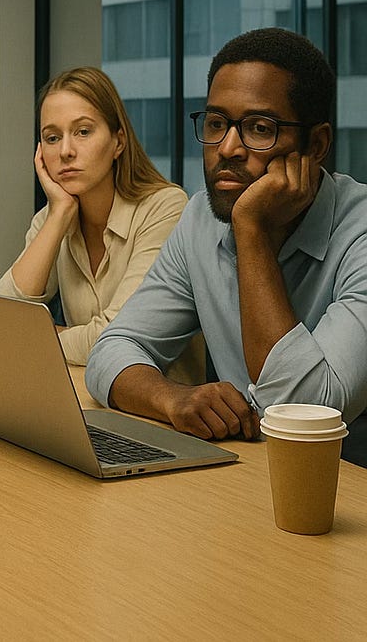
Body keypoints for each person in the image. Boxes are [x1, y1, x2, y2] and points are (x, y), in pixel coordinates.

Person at [87, 28, 367, 463]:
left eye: (259, 128)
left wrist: (251, 231)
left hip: (340, 493)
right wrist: (172, 399)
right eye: (216, 123)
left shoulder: (360, 231)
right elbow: (112, 350)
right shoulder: (200, 218)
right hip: (242, 476)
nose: (228, 148)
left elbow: (303, 413)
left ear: (317, 145)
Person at [0, 67, 199, 378]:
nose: (65, 151)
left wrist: (30, 341)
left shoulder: (165, 208)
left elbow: (120, 337)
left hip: (160, 411)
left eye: (83, 132)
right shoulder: (52, 219)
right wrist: (59, 214)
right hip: (86, 396)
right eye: (52, 137)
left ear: (118, 142)